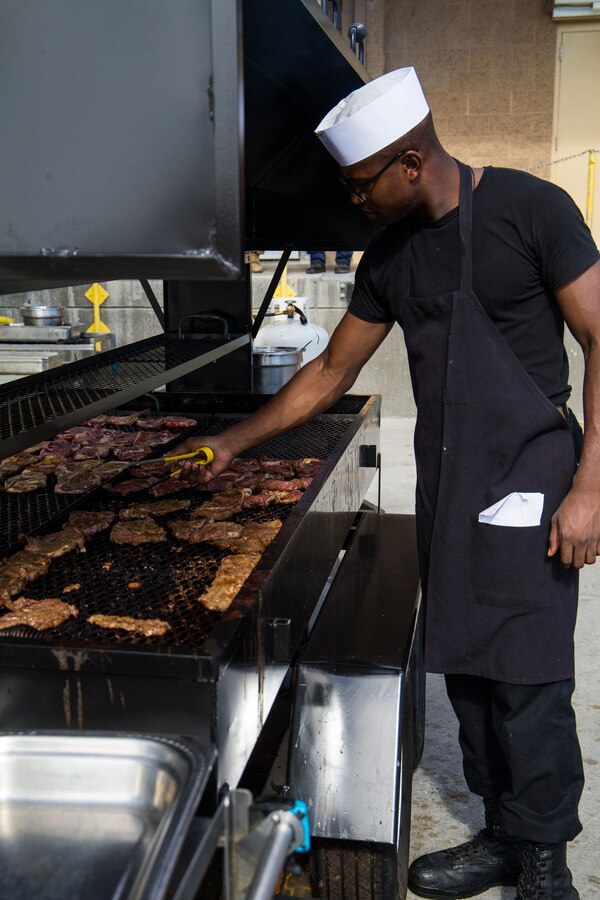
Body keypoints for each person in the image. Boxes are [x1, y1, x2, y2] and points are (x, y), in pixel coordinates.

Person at [174, 67, 600, 899]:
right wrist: (230, 443)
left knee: (529, 678)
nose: (355, 200)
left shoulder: (530, 209)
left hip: (533, 473)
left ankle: (545, 856)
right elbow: (331, 370)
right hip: (450, 477)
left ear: (410, 161)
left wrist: (590, 488)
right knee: (469, 671)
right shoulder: (390, 256)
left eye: (361, 184)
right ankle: (502, 834)